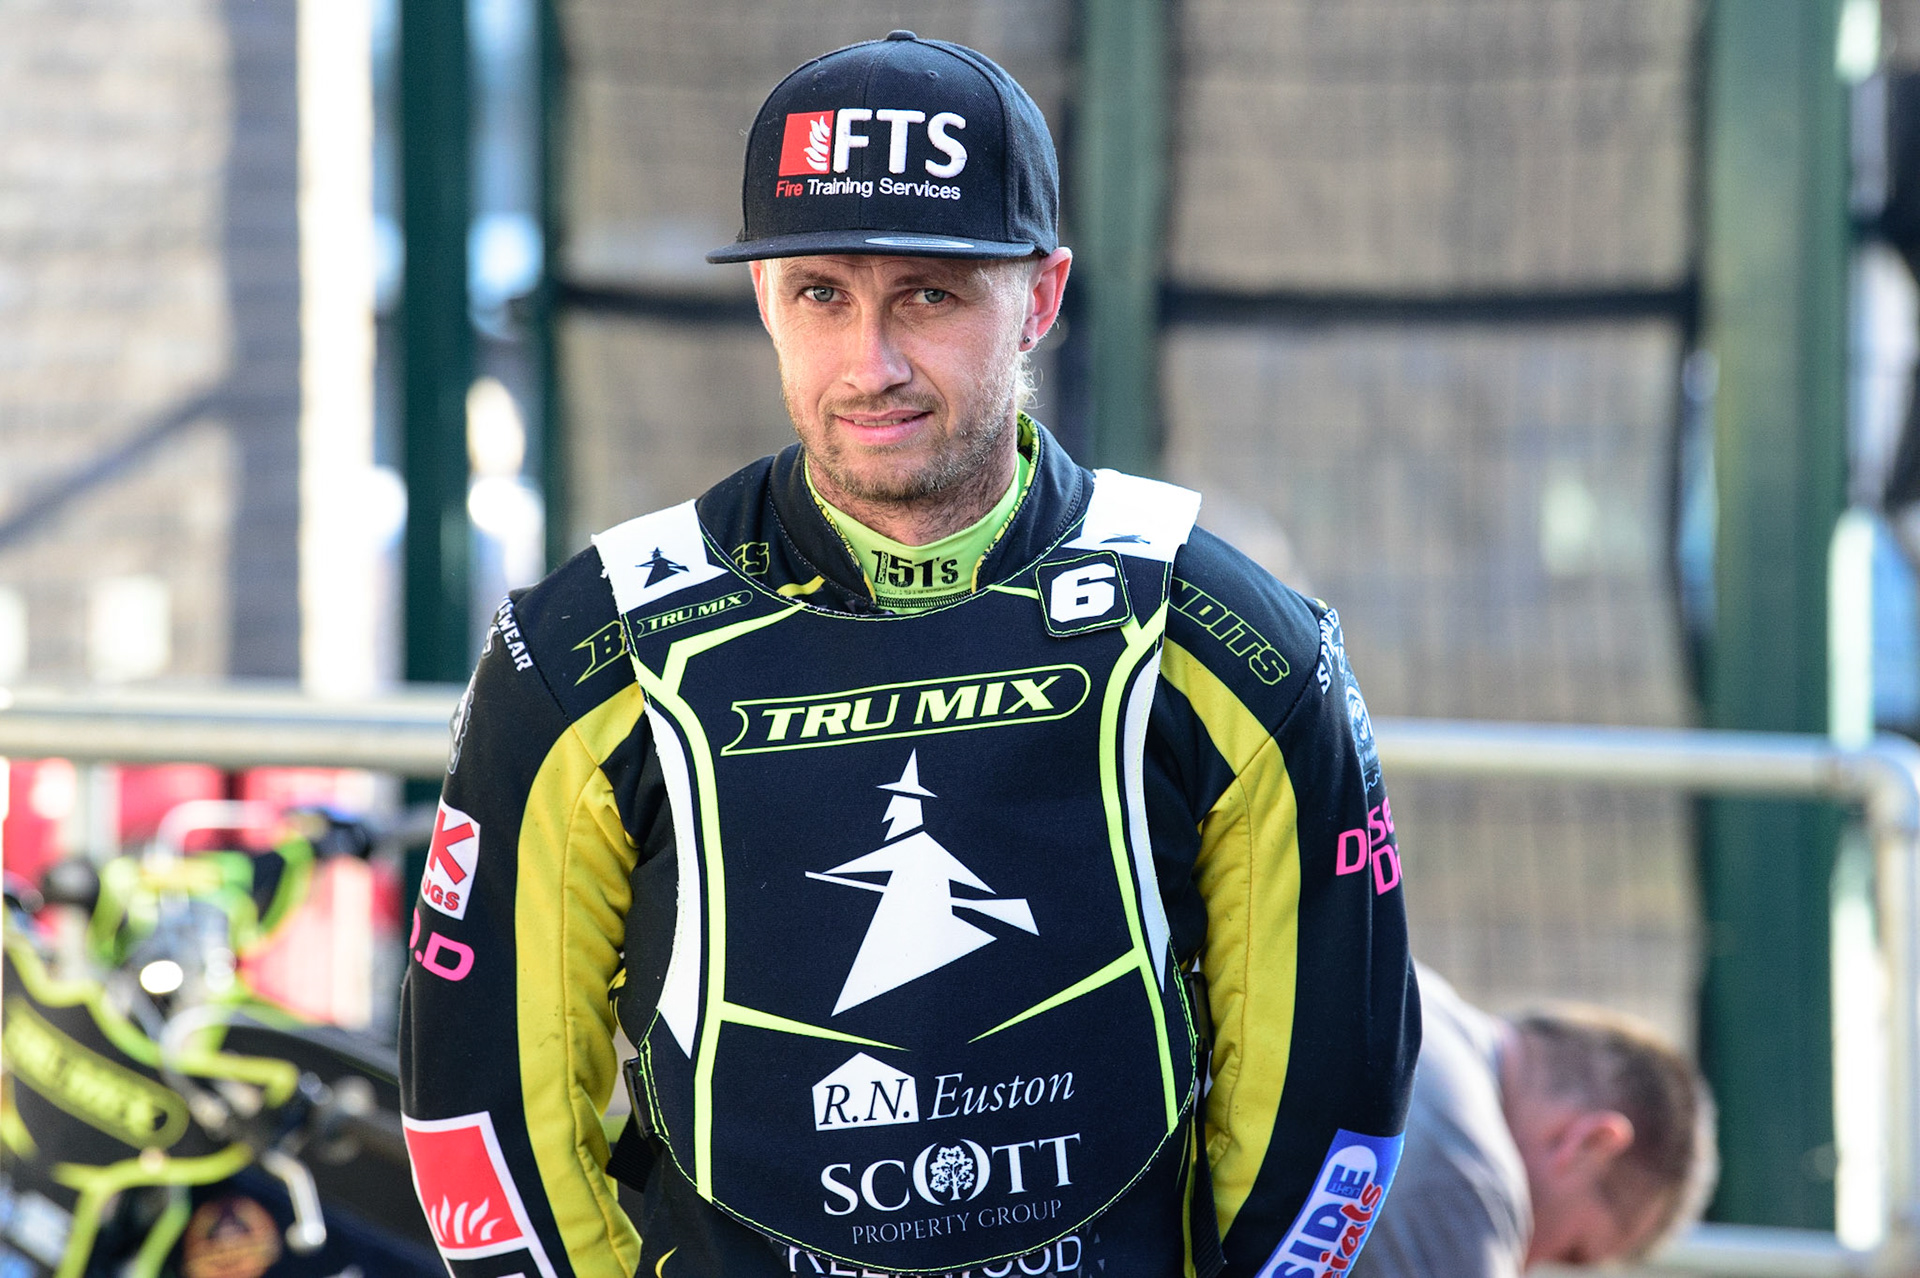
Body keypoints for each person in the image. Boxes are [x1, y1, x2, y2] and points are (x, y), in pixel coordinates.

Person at [398, 31, 1418, 1278]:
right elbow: (483, 1119)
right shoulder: (585, 652)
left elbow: (1330, 1116)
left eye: (928, 295)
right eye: (822, 293)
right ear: (765, 300)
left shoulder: (1231, 641)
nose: (870, 366)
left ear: (1039, 298)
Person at [1352, 965, 1716, 1278]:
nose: (1523, 1266)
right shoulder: (1467, 1184)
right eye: (1571, 1252)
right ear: (1591, 1145)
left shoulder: (1404, 980)